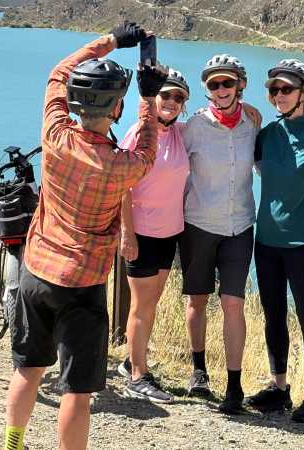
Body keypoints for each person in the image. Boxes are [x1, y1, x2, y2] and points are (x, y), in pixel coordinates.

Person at [2, 22, 167, 450]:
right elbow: (148, 147)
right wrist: (149, 97)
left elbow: (59, 71)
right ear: (116, 110)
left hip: (36, 272)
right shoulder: (122, 166)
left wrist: (111, 40)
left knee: (27, 369)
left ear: (75, 101)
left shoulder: (55, 135)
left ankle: (12, 444)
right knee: (76, 391)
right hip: (82, 285)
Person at [243, 59, 304, 424]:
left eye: (286, 89)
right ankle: (279, 388)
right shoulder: (268, 134)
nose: (279, 96)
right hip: (266, 241)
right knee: (272, 315)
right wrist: (246, 114)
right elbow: (240, 152)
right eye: (274, 90)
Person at [179, 53, 260, 414]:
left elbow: (267, 166)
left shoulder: (253, 125)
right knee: (197, 300)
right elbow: (170, 162)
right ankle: (198, 372)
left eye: (228, 82)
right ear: (207, 90)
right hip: (197, 225)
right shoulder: (194, 126)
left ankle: (234, 385)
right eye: (215, 84)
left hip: (240, 227)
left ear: (240, 85)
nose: (222, 89)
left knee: (233, 304)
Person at [115, 68, 191, 403]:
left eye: (178, 97)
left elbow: (216, 122)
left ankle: (132, 360)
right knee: (142, 306)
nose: (171, 102)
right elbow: (121, 187)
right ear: (153, 98)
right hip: (142, 234)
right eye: (165, 95)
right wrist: (127, 233)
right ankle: (137, 377)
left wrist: (247, 110)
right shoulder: (139, 134)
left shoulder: (178, 134)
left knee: (151, 303)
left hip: (169, 233)